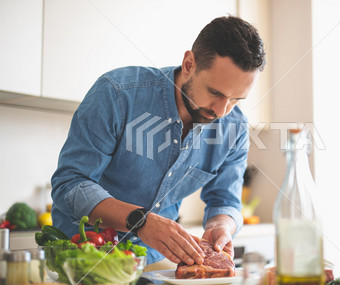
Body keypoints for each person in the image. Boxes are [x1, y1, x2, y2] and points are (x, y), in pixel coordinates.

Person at [51, 15, 266, 268]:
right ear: (189, 64)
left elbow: (225, 201)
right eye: (215, 93)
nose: (221, 111)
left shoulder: (234, 128)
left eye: (236, 99)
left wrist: (222, 225)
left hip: (152, 258)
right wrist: (140, 221)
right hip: (82, 253)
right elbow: (70, 184)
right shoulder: (117, 94)